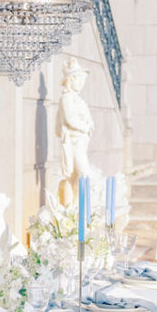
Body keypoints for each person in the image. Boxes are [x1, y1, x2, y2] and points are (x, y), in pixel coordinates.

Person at [54, 57, 96, 206]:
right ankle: (76, 207)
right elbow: (70, 118)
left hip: (82, 142)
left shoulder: (76, 99)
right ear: (71, 80)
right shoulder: (66, 99)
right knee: (84, 175)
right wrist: (85, 126)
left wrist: (90, 124)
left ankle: (74, 207)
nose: (81, 84)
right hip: (74, 143)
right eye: (79, 80)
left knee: (78, 176)